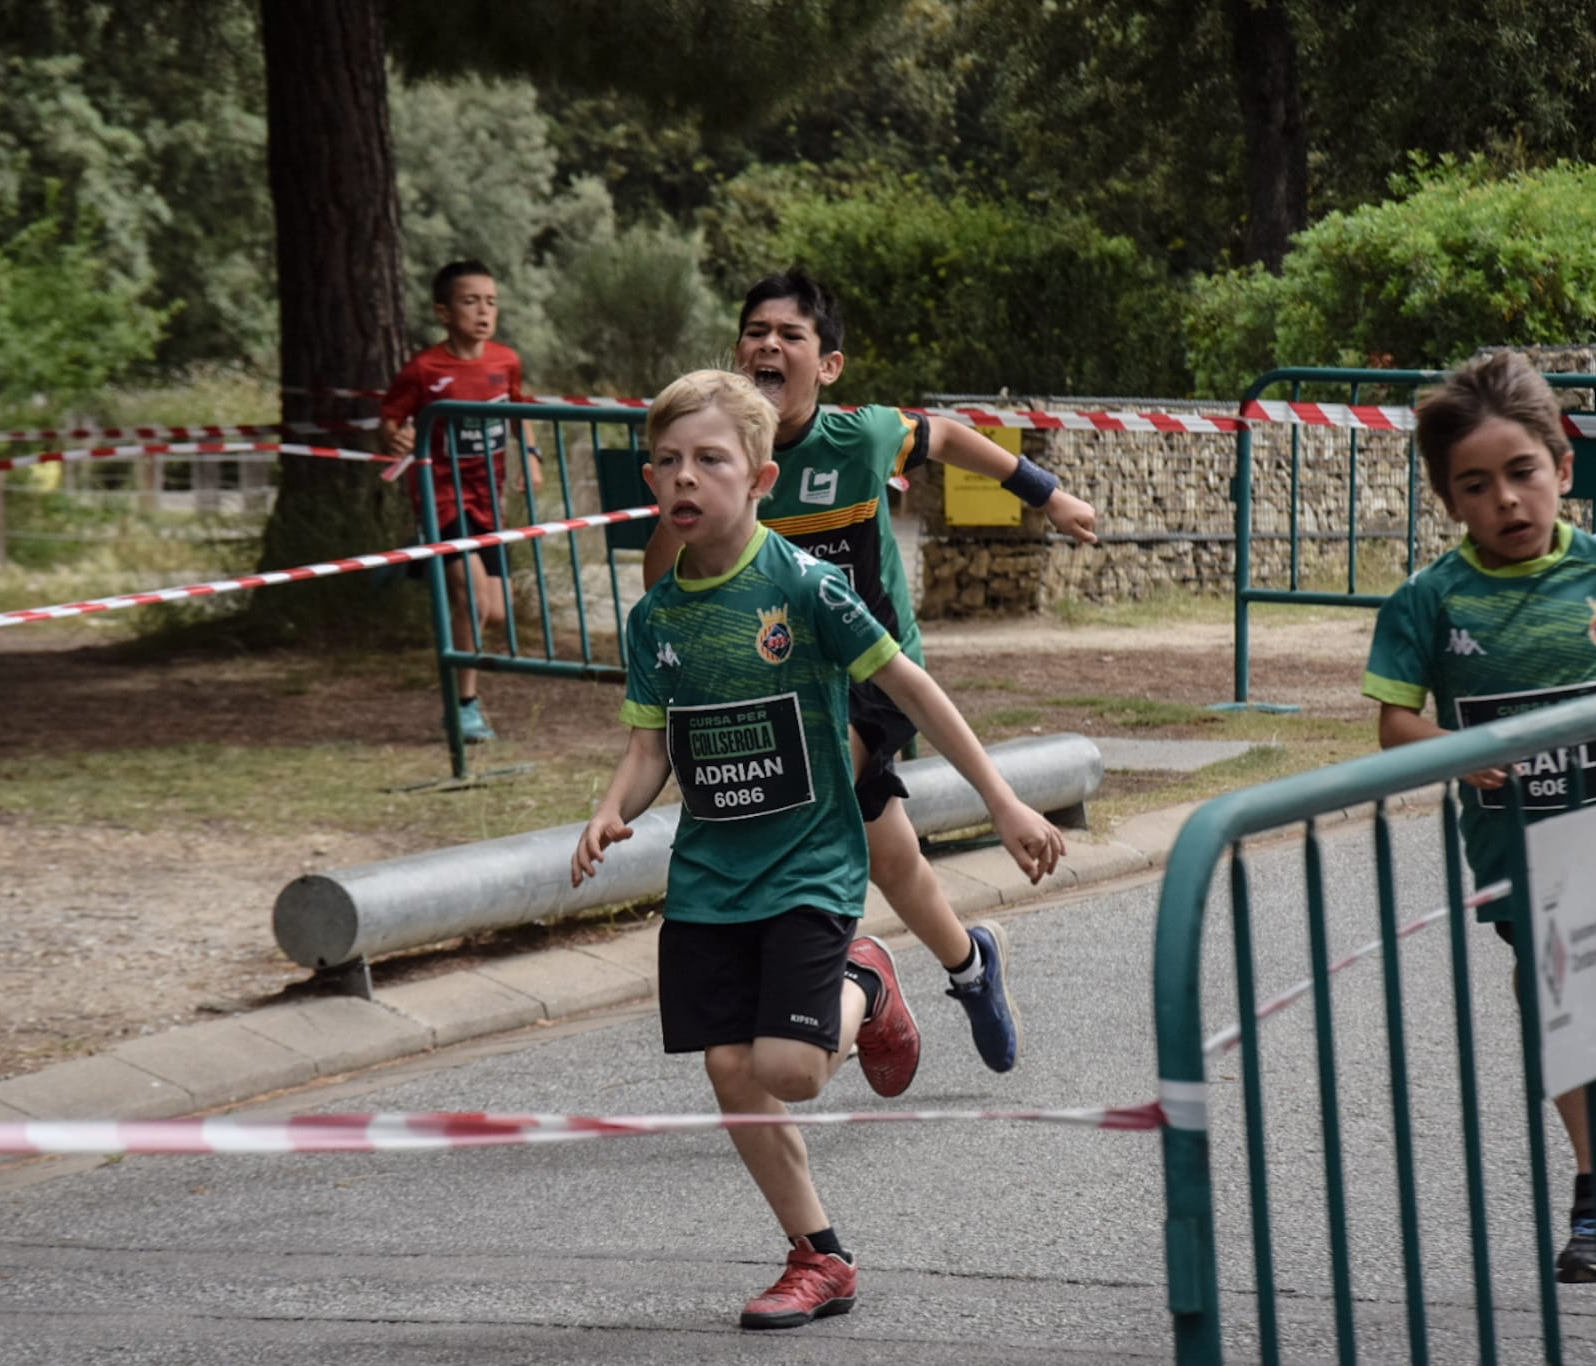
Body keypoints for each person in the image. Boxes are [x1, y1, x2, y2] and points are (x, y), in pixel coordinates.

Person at [573, 369, 1066, 1330]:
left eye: (710, 460)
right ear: (651, 480)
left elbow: (915, 690)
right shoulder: (655, 619)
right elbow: (648, 747)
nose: (688, 478)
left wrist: (1002, 800)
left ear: (758, 479)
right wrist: (609, 809)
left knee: (790, 1071)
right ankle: (820, 1257)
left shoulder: (803, 586)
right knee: (729, 1071)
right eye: (670, 461)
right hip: (712, 875)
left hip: (808, 865)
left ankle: (870, 984)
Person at [641, 270, 1098, 1076]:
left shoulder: (863, 435)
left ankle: (819, 967)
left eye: (791, 335)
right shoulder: (713, 465)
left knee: (814, 777)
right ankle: (967, 965)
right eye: (756, 332)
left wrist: (1046, 492)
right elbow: (663, 587)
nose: (769, 344)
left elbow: (951, 436)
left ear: (828, 366)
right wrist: (685, 515)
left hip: (873, 672)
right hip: (776, 682)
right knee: (890, 856)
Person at [1361, 349, 1596, 1284]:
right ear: (1450, 502)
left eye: (1524, 474)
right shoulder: (1429, 601)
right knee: (1568, 991)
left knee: (1559, 992)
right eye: (1476, 486)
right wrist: (1459, 749)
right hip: (1505, 837)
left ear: (1562, 470)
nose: (1508, 502)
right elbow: (1394, 724)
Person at [382, 259, 542, 744]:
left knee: (495, 611)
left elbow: (520, 410)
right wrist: (396, 437)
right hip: (444, 499)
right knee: (470, 599)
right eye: (470, 301)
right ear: (443, 312)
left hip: (488, 502)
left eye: (490, 301)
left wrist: (530, 456)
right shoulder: (424, 369)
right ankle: (463, 708)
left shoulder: (504, 361)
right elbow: (391, 419)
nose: (483, 310)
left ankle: (414, 562)